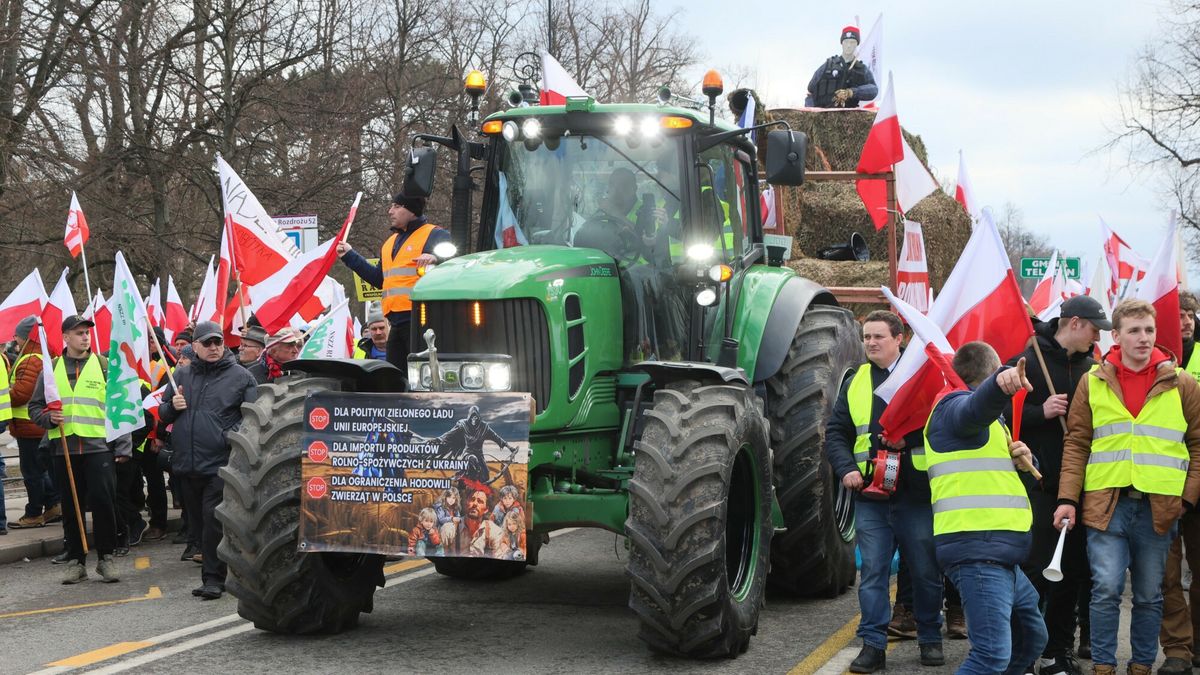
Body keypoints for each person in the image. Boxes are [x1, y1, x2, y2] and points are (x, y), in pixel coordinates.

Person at [1054, 299, 1200, 675]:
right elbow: (1077, 444)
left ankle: (1141, 666)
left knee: (1151, 594)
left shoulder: (1181, 383)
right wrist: (1068, 498)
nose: (1144, 338)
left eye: (1149, 330)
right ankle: (1104, 666)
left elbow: (1198, 443)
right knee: (1105, 588)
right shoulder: (1093, 381)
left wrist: (1187, 497)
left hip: (1160, 506)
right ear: (1116, 336)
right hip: (1106, 504)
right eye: (1134, 330)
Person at [826, 310, 943, 672]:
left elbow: (940, 427)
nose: (871, 343)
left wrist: (906, 441)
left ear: (899, 339)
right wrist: (845, 468)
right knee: (873, 573)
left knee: (925, 571)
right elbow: (836, 432)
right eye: (867, 337)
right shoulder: (857, 380)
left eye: (878, 337)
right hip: (871, 497)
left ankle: (930, 638)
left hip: (916, 495)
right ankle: (873, 644)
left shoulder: (924, 379)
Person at [926, 342, 1047, 674]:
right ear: (992, 371)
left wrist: (1026, 463)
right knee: (991, 656)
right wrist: (1000, 386)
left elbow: (997, 481)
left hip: (999, 552)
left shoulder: (993, 424)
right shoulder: (951, 406)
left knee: (1031, 638)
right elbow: (973, 410)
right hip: (978, 552)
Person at [1005, 296, 1107, 675]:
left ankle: (1056, 652)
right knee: (1033, 571)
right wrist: (1040, 412)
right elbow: (1002, 416)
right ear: (1075, 323)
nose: (1099, 337)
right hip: (1038, 485)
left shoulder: (1094, 368)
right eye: (1096, 329)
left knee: (1072, 574)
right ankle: (1024, 652)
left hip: (1080, 489)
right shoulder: (1026, 358)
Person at [159, 320, 258, 600]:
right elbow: (163, 413)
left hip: (221, 463)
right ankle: (218, 571)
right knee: (198, 524)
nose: (214, 347)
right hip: (186, 464)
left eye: (218, 342)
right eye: (208, 343)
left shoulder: (241, 377)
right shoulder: (181, 375)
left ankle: (214, 579)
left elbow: (252, 418)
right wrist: (171, 407)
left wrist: (228, 436)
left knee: (213, 518)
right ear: (195, 346)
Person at [28, 315, 131, 584]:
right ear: (65, 338)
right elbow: (34, 408)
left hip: (99, 448)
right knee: (72, 508)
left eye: (87, 333)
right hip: (63, 449)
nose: (85, 337)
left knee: (103, 504)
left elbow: (119, 409)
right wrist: (48, 418)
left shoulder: (104, 366)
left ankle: (106, 558)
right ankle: (76, 560)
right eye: (79, 333)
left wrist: (123, 446)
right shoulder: (51, 369)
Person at [336, 191, 451, 370]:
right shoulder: (390, 242)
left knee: (423, 376)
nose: (390, 211)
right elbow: (379, 279)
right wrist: (350, 256)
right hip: (395, 322)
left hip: (421, 321)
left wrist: (435, 256)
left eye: (397, 206)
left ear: (412, 211)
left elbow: (454, 257)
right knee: (395, 378)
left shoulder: (435, 234)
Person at [1161, 291, 1200, 675]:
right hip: (1166, 483)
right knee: (1167, 575)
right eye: (1178, 314)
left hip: (1197, 476)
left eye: (1189, 314)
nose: (1185, 321)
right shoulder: (1151, 358)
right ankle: (1178, 652)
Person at [6, 315, 62, 530]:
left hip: (29, 426)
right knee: (41, 469)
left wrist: (4, 393)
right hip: (34, 425)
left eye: (18, 336)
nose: (15, 341)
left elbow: (21, 394)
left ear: (27, 338)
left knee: (32, 472)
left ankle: (34, 513)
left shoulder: (31, 359)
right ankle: (52, 505)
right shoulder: (40, 357)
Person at [805, 25, 878, 108]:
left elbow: (874, 89)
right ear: (842, 43)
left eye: (852, 42)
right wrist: (812, 112)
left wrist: (851, 92)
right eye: (846, 42)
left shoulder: (861, 69)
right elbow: (810, 89)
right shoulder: (828, 65)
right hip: (824, 113)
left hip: (848, 116)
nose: (849, 45)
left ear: (857, 44)